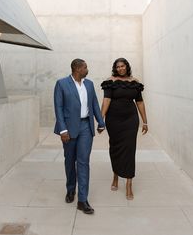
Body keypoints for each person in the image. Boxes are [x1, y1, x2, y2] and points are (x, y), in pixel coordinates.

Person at [54, 58, 105, 214]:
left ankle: (83, 200)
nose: (87, 69)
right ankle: (70, 189)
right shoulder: (62, 84)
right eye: (85, 67)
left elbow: (94, 104)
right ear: (77, 69)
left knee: (83, 162)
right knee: (70, 161)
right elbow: (59, 107)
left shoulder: (89, 84)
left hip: (86, 128)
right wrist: (63, 130)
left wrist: (101, 122)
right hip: (69, 129)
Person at [101, 58, 148, 200]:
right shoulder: (110, 82)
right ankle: (115, 175)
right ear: (115, 68)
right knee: (115, 148)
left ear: (127, 67)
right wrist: (100, 120)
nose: (121, 68)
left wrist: (145, 122)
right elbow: (106, 101)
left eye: (123, 66)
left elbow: (139, 102)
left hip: (130, 120)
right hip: (113, 120)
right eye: (118, 66)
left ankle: (129, 183)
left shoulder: (135, 82)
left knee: (129, 149)